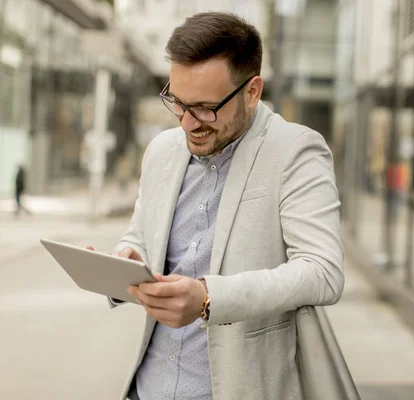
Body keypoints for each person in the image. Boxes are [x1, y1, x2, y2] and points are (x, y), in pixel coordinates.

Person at [92, 12, 344, 400]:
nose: (188, 124)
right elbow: (141, 234)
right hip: (147, 388)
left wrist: (209, 298)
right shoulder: (161, 151)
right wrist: (128, 257)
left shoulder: (296, 151)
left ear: (252, 91)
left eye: (206, 108)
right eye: (177, 102)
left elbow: (322, 271)